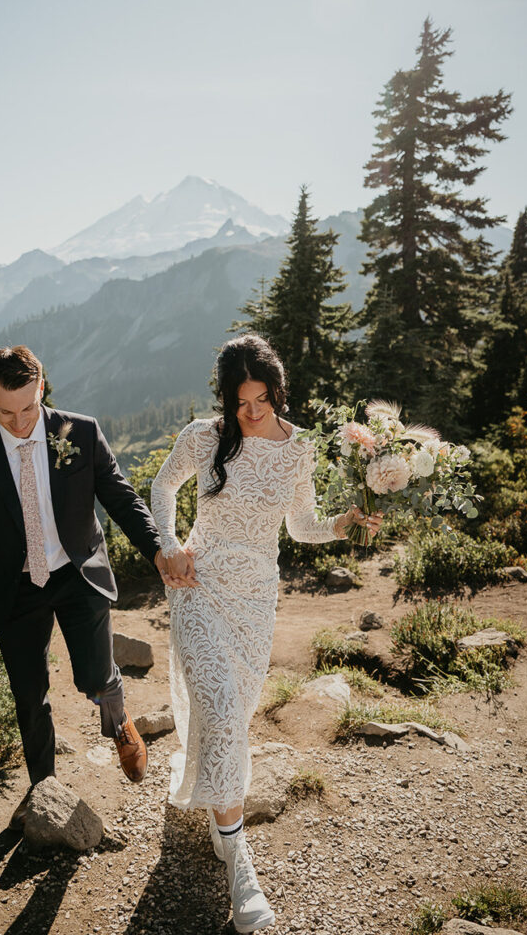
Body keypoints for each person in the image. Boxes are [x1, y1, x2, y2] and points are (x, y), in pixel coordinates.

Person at [150, 335, 382, 933]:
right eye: (239, 401)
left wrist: (345, 522)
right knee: (224, 713)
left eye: (261, 399)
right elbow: (161, 489)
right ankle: (241, 870)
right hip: (199, 586)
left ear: (276, 391)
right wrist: (170, 547)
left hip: (256, 597)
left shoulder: (298, 446)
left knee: (231, 715)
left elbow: (302, 526)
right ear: (225, 397)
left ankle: (216, 807)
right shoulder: (203, 436)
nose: (251, 413)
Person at [0, 344, 170, 828]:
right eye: (5, 412)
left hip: (77, 569)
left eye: (28, 408)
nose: (20, 422)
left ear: (40, 388)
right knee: (30, 692)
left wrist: (157, 551)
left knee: (93, 676)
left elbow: (120, 497)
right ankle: (43, 786)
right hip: (15, 587)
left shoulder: (78, 431)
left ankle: (119, 722)